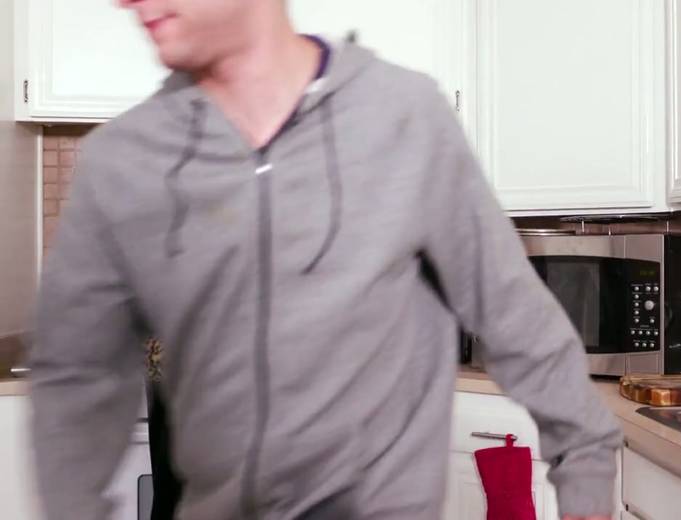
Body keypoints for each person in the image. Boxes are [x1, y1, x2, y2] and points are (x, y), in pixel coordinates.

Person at [29, 1, 621, 519]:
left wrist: (586, 474)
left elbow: (512, 313)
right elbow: (76, 373)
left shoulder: (402, 116)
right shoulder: (122, 160)